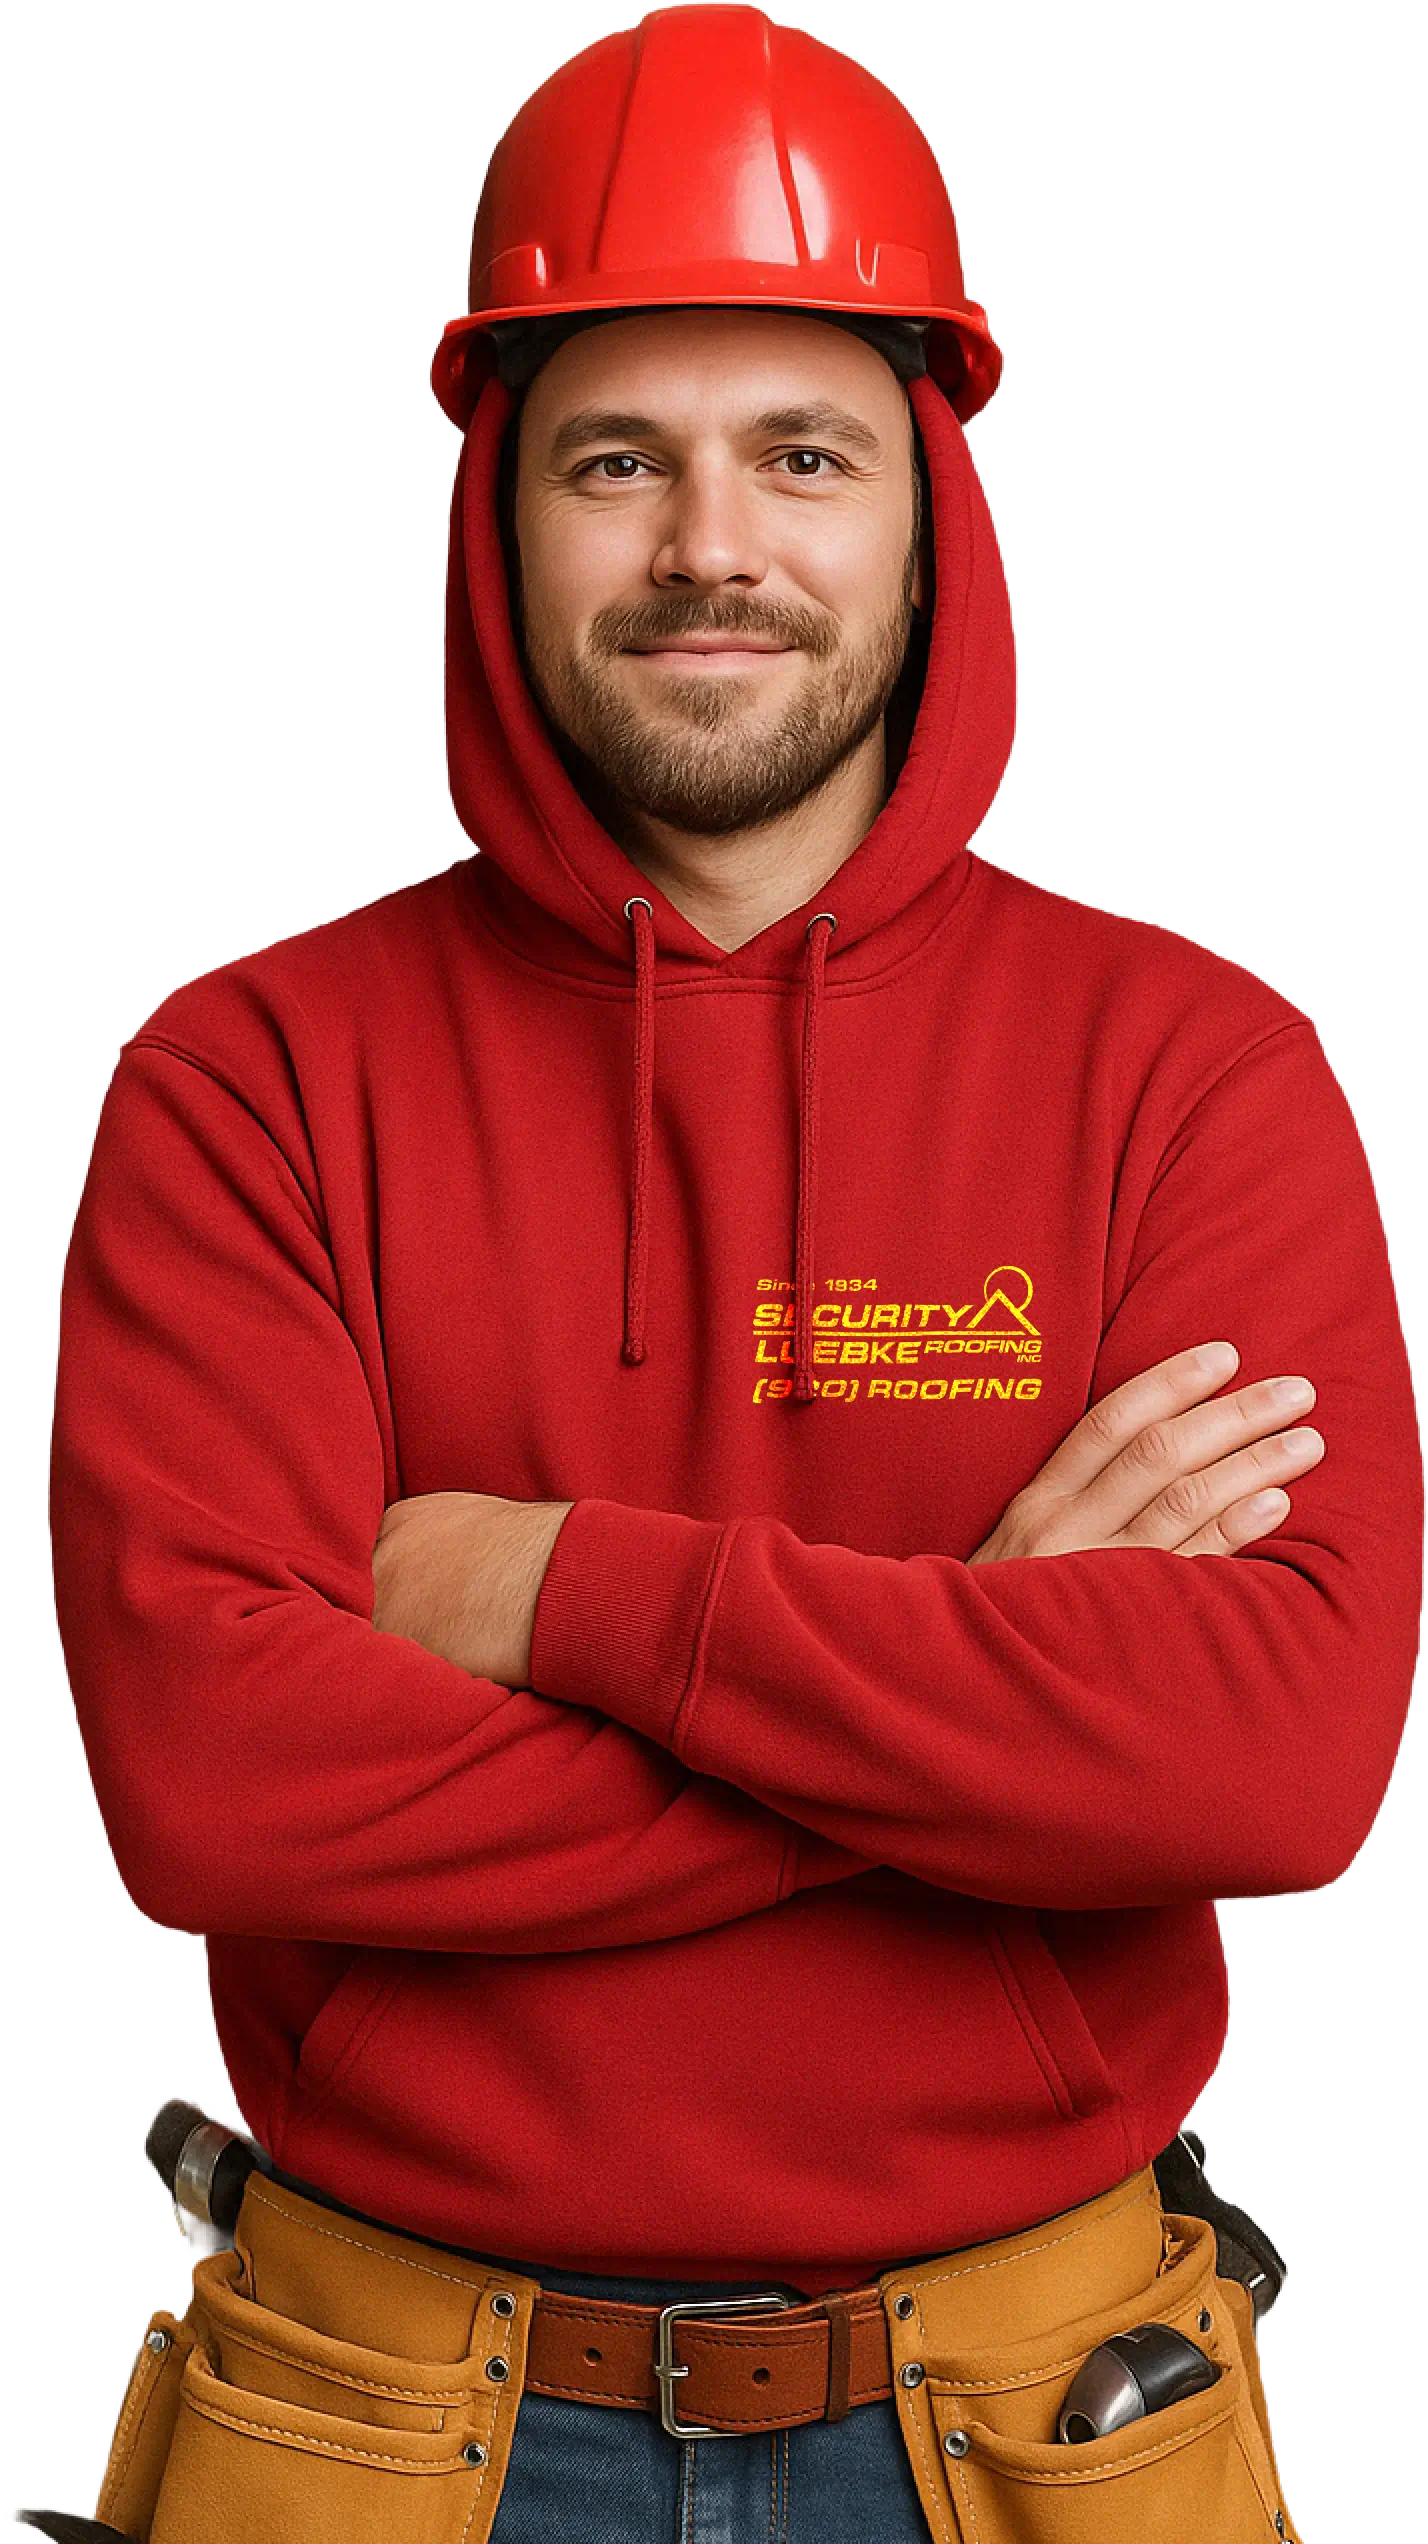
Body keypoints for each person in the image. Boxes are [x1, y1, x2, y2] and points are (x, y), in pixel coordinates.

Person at [45, 7, 1422, 2540]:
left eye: (802, 455)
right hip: (371, 2423)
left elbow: (1278, 1760)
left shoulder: (1189, 1069)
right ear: (500, 514)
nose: (712, 544)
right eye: (616, 461)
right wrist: (982, 1681)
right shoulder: (250, 1081)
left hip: (1043, 2420)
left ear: (929, 516)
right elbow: (219, 1791)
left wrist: (554, 1587)